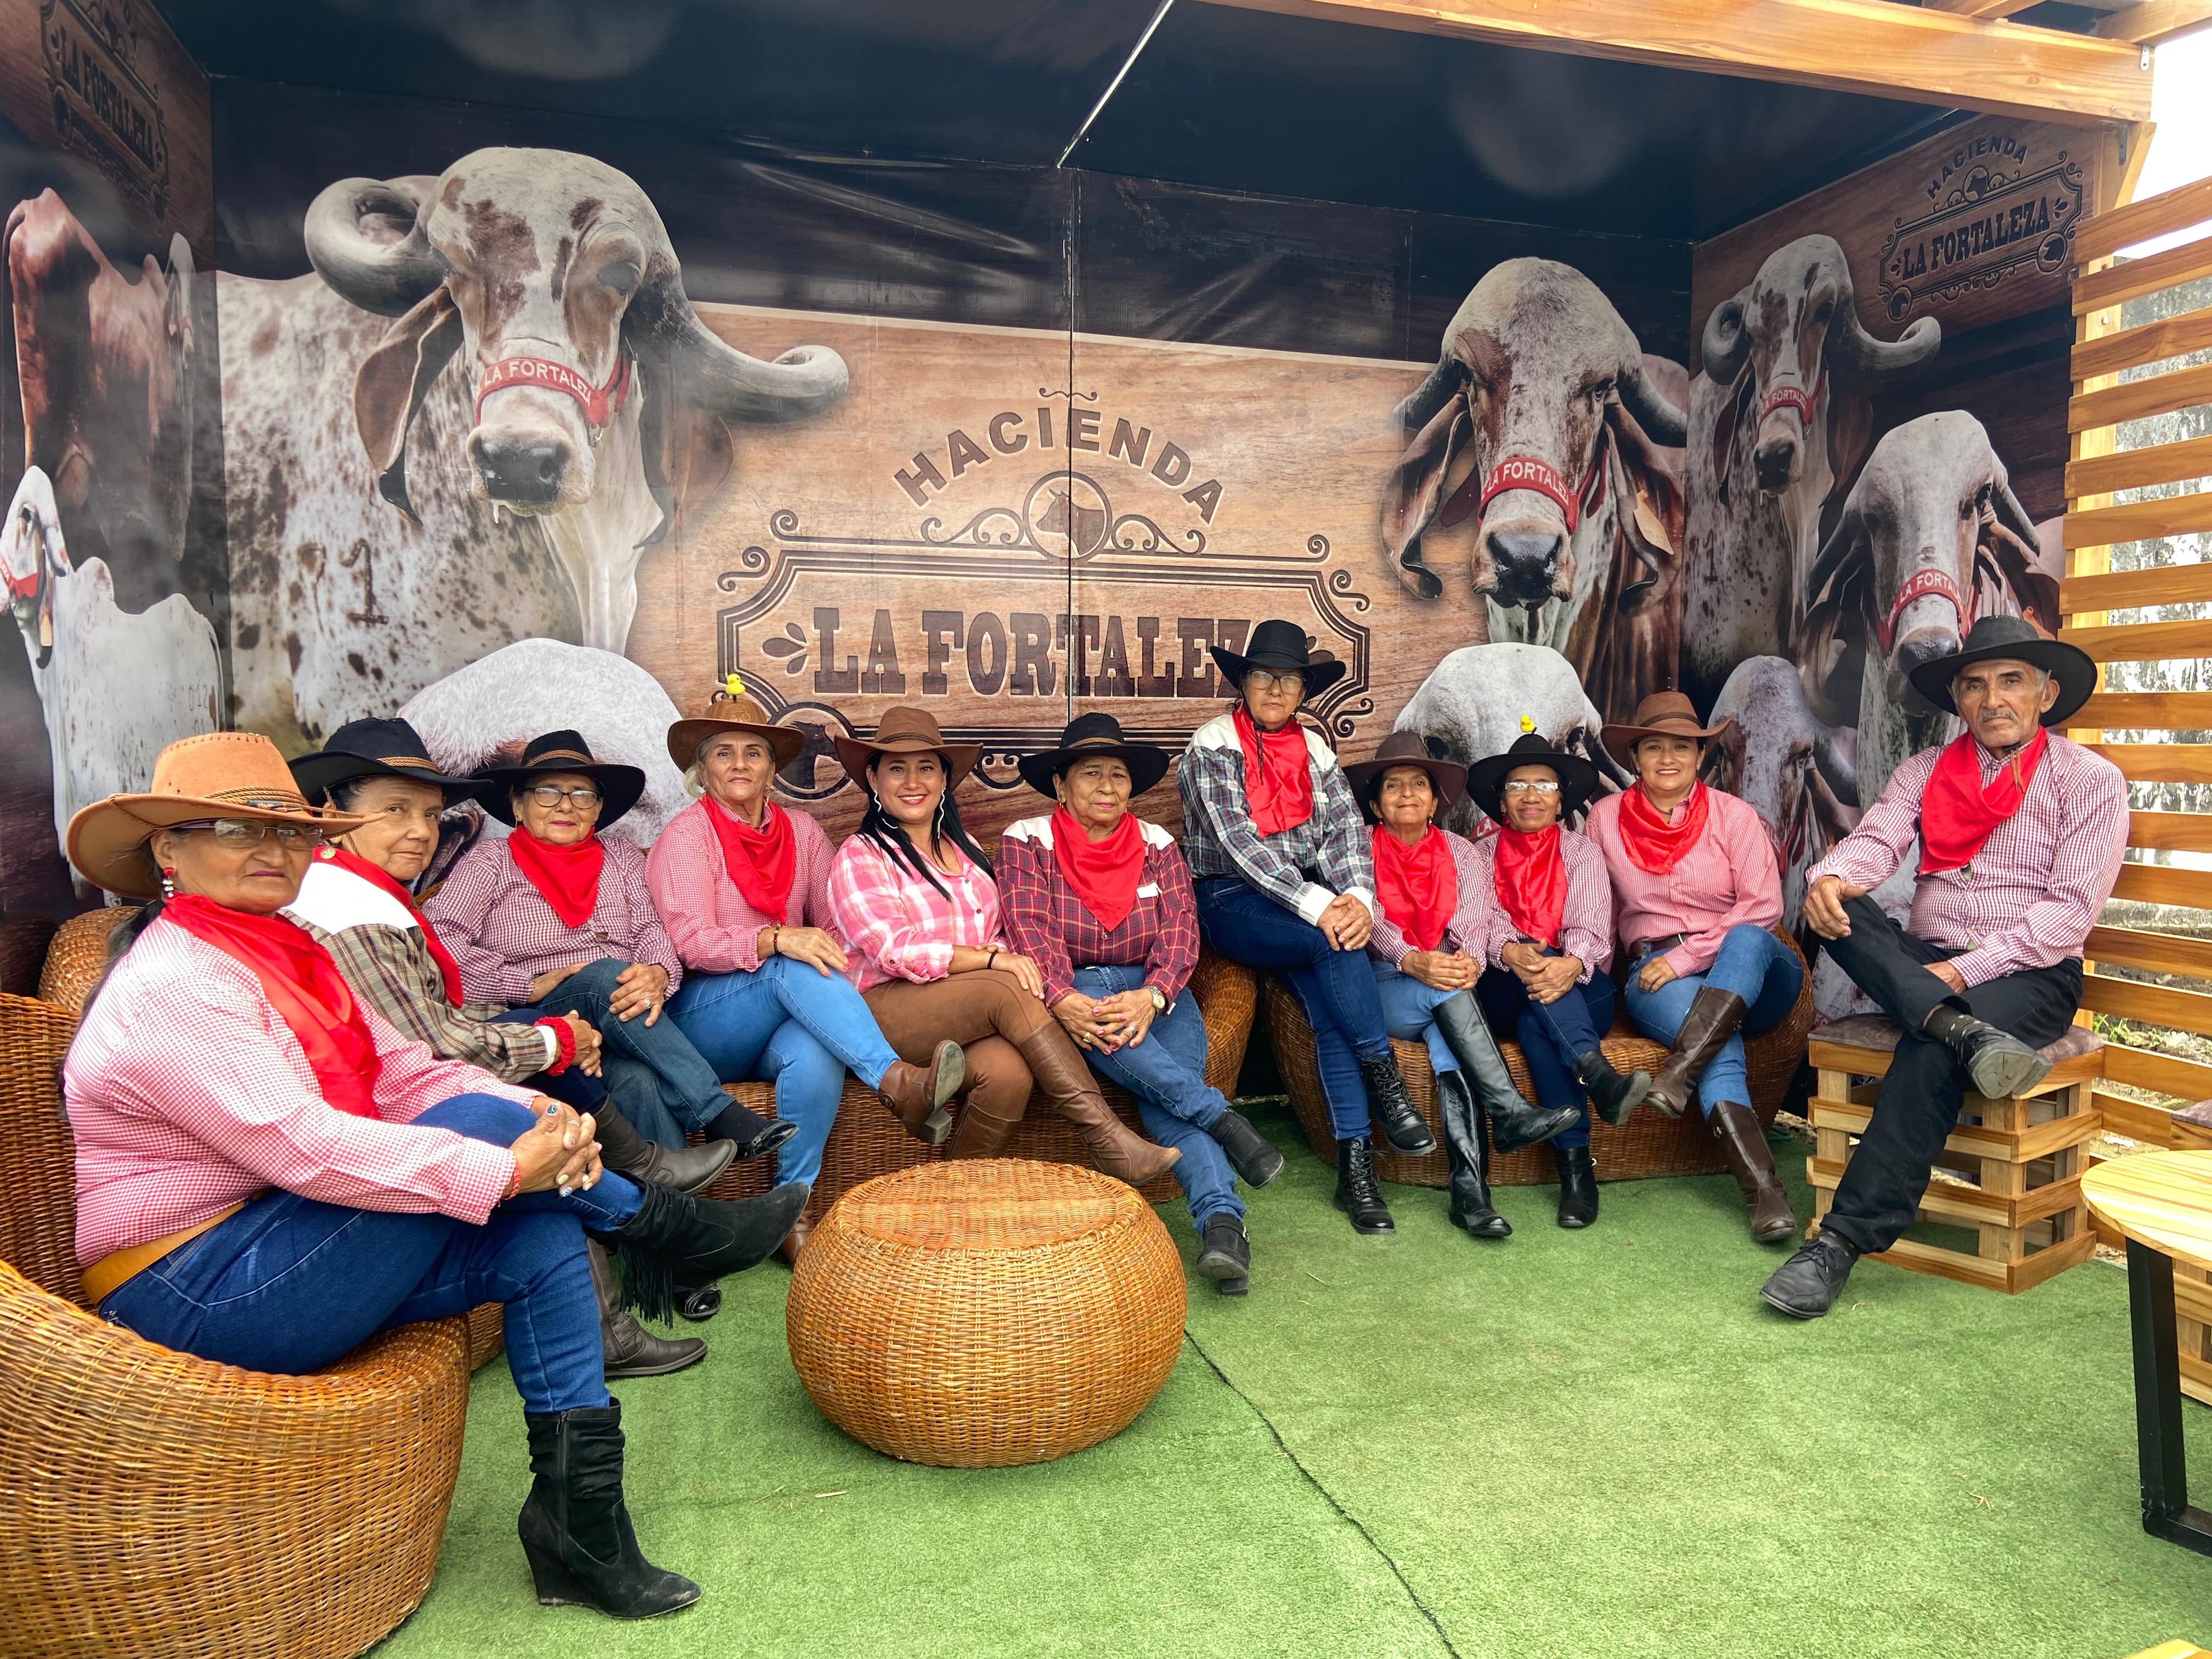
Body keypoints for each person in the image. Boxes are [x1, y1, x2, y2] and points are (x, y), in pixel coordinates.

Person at [61, 731, 807, 1620]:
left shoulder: (286, 946)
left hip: (285, 1238)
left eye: (292, 831)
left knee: (539, 1228)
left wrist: (540, 1124)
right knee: (488, 1134)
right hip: (191, 1289)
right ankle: (667, 1225)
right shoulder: (176, 981)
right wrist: (504, 1160)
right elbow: (306, 1147)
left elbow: (408, 1072)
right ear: (167, 848)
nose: (273, 849)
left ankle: (581, 1525)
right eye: (235, 828)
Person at [284, 716, 726, 1378]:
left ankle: (665, 1258)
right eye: (548, 792)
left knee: (624, 1070)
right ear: (517, 805)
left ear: (600, 808)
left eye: (581, 794)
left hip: (609, 1022)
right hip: (473, 1046)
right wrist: (543, 1006)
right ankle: (686, 1182)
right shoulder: (443, 879)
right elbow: (442, 1001)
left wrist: (656, 976)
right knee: (565, 1048)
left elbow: (654, 936)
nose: (566, 806)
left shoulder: (620, 863)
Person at [1762, 617, 2128, 1318]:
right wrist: (1830, 878)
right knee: (1838, 908)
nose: (1992, 699)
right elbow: (1875, 843)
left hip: (2030, 973)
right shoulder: (1925, 771)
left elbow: (2068, 915)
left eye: (2011, 681)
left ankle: (1839, 1242)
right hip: (1929, 960)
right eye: (1974, 685)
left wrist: (1962, 977)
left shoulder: (2090, 781)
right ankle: (1962, 1030)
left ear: (2047, 694)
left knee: (1931, 1046)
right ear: (1958, 700)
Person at [646, 684, 964, 1262]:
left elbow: (835, 928)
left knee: (814, 1051)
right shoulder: (687, 836)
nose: (740, 764)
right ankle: (897, 1083)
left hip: (780, 1012)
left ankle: (791, 1211)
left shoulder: (803, 832)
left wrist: (816, 947)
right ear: (702, 770)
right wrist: (774, 939)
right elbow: (690, 945)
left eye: (754, 753)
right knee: (788, 965)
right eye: (723, 753)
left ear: (773, 769)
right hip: (703, 1019)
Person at [826, 706, 1180, 1188]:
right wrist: (992, 960)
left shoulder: (967, 850)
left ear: (944, 779)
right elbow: (895, 948)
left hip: (965, 1004)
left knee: (1009, 1073)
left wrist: (1001, 959)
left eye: (926, 767)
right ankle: (1108, 1140)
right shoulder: (861, 854)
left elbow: (999, 929)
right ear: (873, 779)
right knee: (1007, 984)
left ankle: (952, 1198)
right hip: (883, 1007)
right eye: (896, 769)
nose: (913, 782)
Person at [1000, 713, 1278, 1294]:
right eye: (1091, 773)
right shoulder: (1027, 840)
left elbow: (1181, 927)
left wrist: (1154, 995)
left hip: (1153, 990)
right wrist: (1061, 997)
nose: (1107, 787)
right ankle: (1222, 1134)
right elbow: (1029, 927)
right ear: (1060, 786)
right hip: (1077, 986)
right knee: (1177, 1092)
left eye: (1118, 775)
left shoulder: (1158, 844)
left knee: (1167, 1094)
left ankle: (1223, 1227)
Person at [1178, 619, 1430, 1237]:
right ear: (1243, 682)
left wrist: (1359, 899)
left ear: (1302, 691)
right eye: (1264, 676)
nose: (1276, 689)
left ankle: (1355, 1170)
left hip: (1308, 904)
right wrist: (1325, 908)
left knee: (1333, 1006)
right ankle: (1387, 1081)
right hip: (1231, 899)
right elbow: (1240, 847)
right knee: (1332, 941)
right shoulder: (1212, 746)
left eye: (1289, 679)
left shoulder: (1315, 750)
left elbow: (1345, 832)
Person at [1346, 730, 1582, 1239]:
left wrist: (1468, 962)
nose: (1407, 794)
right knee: (1451, 994)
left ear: (1436, 802)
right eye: (1393, 785)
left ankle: (1471, 1194)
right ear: (1376, 804)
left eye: (1419, 784)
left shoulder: (1460, 851)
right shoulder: (1356, 850)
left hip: (1447, 984)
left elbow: (1478, 921)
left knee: (1451, 1044)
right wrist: (1412, 960)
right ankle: (1510, 1111)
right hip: (1380, 986)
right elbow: (1367, 916)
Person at [1587, 692, 1802, 1244]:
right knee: (1718, 1044)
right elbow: (1599, 907)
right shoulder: (1605, 819)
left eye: (1682, 747)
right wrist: (1595, 987)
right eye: (1654, 747)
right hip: (1655, 971)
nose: (1668, 758)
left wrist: (1688, 955)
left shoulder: (1735, 815)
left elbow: (1764, 906)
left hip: (1755, 971)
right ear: (1634, 757)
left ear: (1701, 757)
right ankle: (1765, 1193)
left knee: (1747, 937)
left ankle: (1679, 1073)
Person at [1463, 727, 1647, 1229]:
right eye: (1518, 785)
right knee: (1531, 1003)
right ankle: (1598, 1079)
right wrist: (1509, 950)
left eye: (1544, 785)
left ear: (1560, 799)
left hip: (1581, 986)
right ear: (1502, 799)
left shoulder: (1582, 853)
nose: (1532, 796)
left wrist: (1570, 963)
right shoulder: (1477, 856)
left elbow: (1592, 928)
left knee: (1537, 1026)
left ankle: (1575, 1170)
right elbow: (1476, 923)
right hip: (1503, 985)